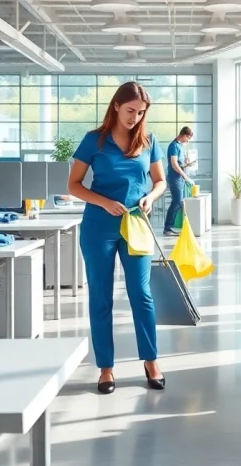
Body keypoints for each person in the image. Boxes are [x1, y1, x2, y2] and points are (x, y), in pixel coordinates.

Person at [67, 81, 168, 395]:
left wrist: (151, 197)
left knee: (142, 294)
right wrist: (103, 201)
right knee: (101, 297)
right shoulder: (93, 141)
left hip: (136, 224)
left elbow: (161, 181)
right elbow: (74, 185)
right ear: (115, 106)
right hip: (99, 226)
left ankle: (151, 361)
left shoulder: (148, 140)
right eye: (129, 111)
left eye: (140, 113)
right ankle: (106, 368)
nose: (134, 118)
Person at [163, 126, 195, 236]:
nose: (188, 141)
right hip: (174, 177)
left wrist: (188, 164)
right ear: (185, 135)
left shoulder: (180, 146)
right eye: (188, 138)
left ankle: (172, 226)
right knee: (176, 201)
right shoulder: (173, 146)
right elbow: (174, 164)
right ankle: (167, 228)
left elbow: (180, 164)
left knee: (179, 202)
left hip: (179, 177)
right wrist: (185, 176)